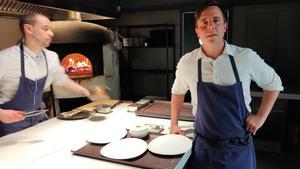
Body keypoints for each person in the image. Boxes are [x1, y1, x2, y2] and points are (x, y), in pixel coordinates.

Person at [170, 1, 283, 169]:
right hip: (204, 148)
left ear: (225, 26)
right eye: (204, 22)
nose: (210, 26)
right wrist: (174, 124)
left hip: (238, 149)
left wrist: (260, 117)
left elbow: (274, 83)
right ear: (197, 31)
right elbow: (177, 91)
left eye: (216, 20)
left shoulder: (245, 57)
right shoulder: (188, 62)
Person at [0, 13, 91, 136]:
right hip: (10, 123)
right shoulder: (5, 58)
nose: (51, 34)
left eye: (51, 29)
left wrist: (86, 92)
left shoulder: (51, 57)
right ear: (28, 29)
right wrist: (1, 114)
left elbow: (62, 80)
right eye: (45, 29)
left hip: (37, 116)